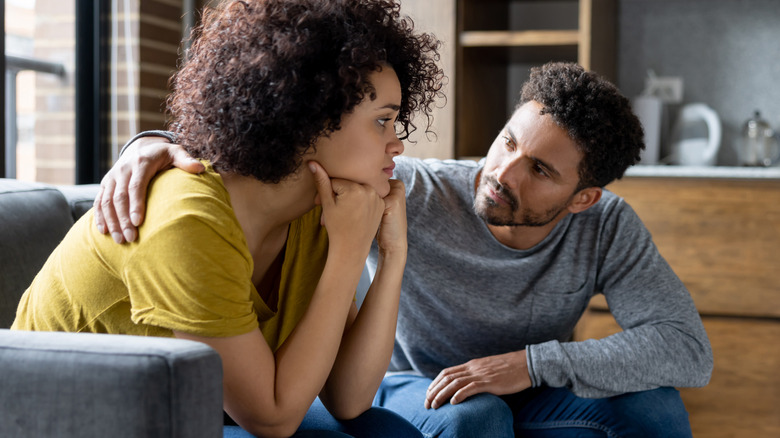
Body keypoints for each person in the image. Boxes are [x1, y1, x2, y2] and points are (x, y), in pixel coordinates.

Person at [92, 63, 714, 437]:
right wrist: (154, 143)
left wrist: (527, 365)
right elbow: (281, 146)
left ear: (583, 198)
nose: (503, 172)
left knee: (656, 410)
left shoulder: (608, 226)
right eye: (506, 143)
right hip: (404, 386)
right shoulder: (412, 188)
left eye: (541, 172)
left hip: (526, 387)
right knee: (476, 420)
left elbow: (685, 349)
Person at [12, 1, 444, 437]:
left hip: (186, 405)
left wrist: (392, 255)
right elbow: (272, 418)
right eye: (383, 121)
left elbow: (349, 399)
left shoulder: (317, 211)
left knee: (388, 432)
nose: (397, 145)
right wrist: (349, 253)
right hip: (72, 419)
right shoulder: (187, 218)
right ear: (309, 116)